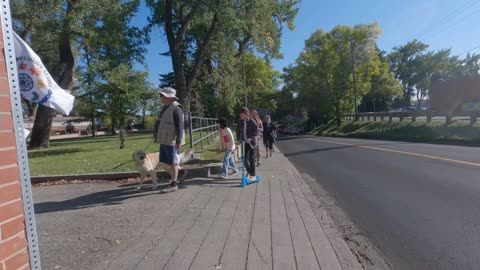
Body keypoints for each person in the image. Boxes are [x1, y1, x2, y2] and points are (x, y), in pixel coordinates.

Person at [153, 87, 185, 192]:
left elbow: (180, 126)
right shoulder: (165, 107)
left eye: (162, 96)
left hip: (172, 140)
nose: (160, 98)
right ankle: (180, 172)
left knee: (173, 163)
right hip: (164, 139)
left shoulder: (176, 108)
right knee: (164, 162)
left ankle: (173, 184)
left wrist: (178, 142)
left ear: (168, 97)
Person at [236, 107, 258, 181]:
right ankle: (249, 171)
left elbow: (256, 132)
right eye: (240, 114)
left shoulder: (252, 122)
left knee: (251, 158)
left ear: (246, 114)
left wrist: (251, 138)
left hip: (252, 143)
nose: (240, 116)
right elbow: (237, 130)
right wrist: (238, 139)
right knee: (244, 158)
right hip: (244, 142)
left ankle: (253, 175)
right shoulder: (240, 122)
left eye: (242, 114)